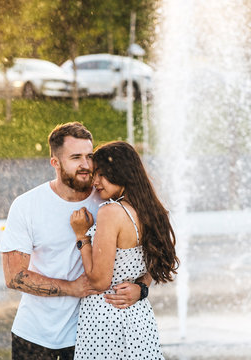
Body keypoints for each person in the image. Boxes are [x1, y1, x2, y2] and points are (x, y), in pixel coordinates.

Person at [0, 123, 142, 359]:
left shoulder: (109, 201)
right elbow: (14, 276)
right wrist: (71, 288)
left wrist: (142, 288)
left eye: (89, 156)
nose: (86, 165)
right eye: (75, 157)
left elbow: (146, 252)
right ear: (55, 162)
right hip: (35, 335)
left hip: (92, 334)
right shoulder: (27, 205)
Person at [70, 141, 179, 359]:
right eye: (94, 175)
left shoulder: (111, 212)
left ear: (121, 172)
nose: (96, 182)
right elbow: (156, 264)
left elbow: (100, 281)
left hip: (105, 319)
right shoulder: (151, 211)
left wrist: (82, 236)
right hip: (139, 318)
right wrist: (142, 288)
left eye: (102, 174)